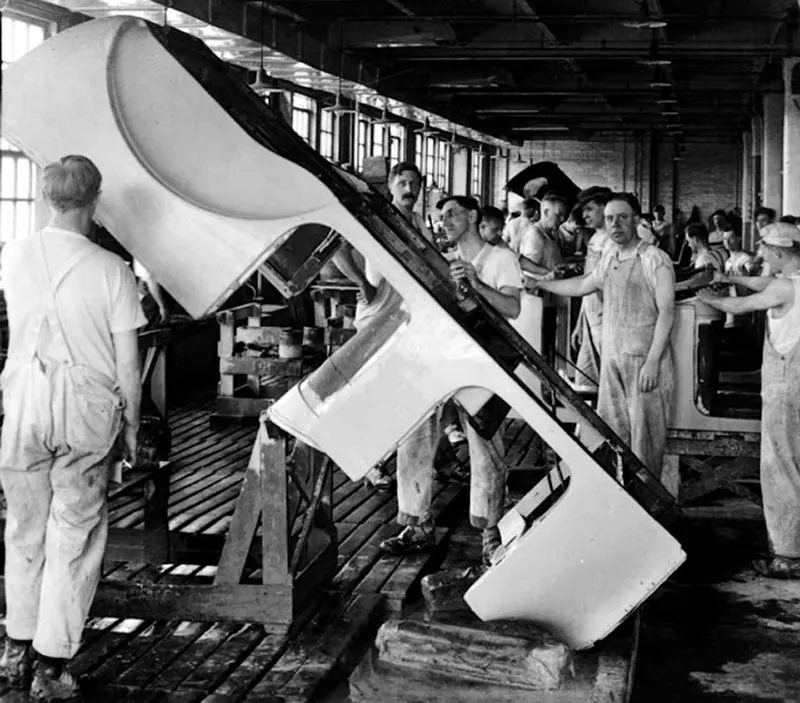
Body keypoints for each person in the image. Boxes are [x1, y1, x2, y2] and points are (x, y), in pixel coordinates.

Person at [0, 155, 145, 699]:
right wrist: (130, 426)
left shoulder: (13, 255)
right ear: (95, 200)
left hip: (25, 405)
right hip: (86, 409)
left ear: (46, 198)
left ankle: (15, 647)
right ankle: (50, 665)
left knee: (24, 527)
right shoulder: (113, 272)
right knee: (75, 534)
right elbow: (129, 366)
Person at [379, 195, 522, 567]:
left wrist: (476, 285)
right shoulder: (442, 262)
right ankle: (417, 523)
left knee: (485, 446)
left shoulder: (500, 258)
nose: (445, 221)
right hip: (442, 357)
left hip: (482, 362)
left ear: (473, 216)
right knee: (414, 437)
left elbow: (512, 308)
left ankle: (491, 533)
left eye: (453, 213)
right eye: (441, 216)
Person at [535, 193, 675, 479]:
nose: (615, 224)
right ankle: (624, 498)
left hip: (644, 364)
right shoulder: (610, 257)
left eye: (623, 217)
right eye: (610, 218)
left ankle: (648, 509)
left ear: (636, 220)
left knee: (645, 441)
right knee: (615, 433)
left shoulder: (655, 259)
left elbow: (667, 313)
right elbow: (585, 284)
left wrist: (652, 362)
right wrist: (542, 284)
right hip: (612, 359)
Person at [698, 223, 800, 578]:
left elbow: (742, 306)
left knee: (780, 468)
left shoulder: (786, 286)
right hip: (793, 387)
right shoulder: (793, 281)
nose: (761, 256)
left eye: (765, 251)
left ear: (778, 252)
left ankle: (787, 555)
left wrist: (708, 298)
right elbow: (762, 286)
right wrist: (734, 279)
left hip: (786, 390)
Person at [332, 162, 431, 491]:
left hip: (407, 315)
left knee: (398, 392)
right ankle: (369, 463)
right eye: (402, 182)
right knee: (374, 391)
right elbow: (337, 248)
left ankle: (388, 456)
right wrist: (362, 282)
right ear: (390, 185)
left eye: (414, 183)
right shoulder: (375, 217)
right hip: (377, 315)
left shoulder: (419, 223)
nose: (408, 188)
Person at [571, 186, 612, 392]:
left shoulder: (614, 241)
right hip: (591, 317)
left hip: (608, 322)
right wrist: (581, 321)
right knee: (585, 378)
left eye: (589, 209)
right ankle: (586, 424)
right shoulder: (595, 239)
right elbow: (586, 284)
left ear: (605, 208)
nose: (584, 214)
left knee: (611, 378)